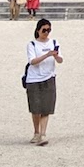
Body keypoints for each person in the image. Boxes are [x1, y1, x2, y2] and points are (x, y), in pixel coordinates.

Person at [23, 17, 63, 145]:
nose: (46, 33)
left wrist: (55, 55)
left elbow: (60, 60)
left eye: (49, 30)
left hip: (49, 77)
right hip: (34, 79)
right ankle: (36, 132)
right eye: (44, 30)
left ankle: (43, 134)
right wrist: (47, 55)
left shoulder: (54, 42)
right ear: (38, 30)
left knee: (46, 108)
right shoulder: (32, 44)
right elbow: (32, 61)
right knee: (35, 108)